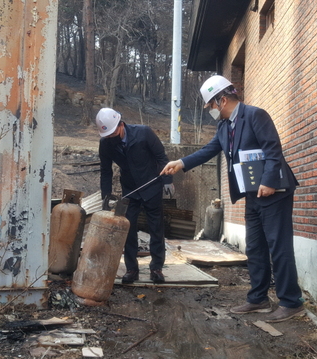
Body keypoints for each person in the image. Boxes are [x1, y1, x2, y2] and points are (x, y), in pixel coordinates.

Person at [160, 75, 304, 322]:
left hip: (275, 192)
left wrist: (269, 181)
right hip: (252, 193)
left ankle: (291, 302)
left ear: (222, 99)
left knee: (278, 247)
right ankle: (258, 298)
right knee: (255, 248)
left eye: (211, 106)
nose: (211, 111)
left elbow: (273, 149)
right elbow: (209, 150)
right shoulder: (224, 126)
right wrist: (181, 163)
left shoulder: (256, 115)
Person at [96, 107, 173, 284]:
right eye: (106, 135)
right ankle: (131, 269)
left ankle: (156, 268)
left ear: (120, 125)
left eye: (112, 133)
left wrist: (168, 180)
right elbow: (105, 171)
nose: (110, 137)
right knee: (128, 228)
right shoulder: (106, 144)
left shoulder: (144, 133)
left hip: (152, 185)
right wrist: (106, 195)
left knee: (156, 228)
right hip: (130, 189)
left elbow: (162, 157)